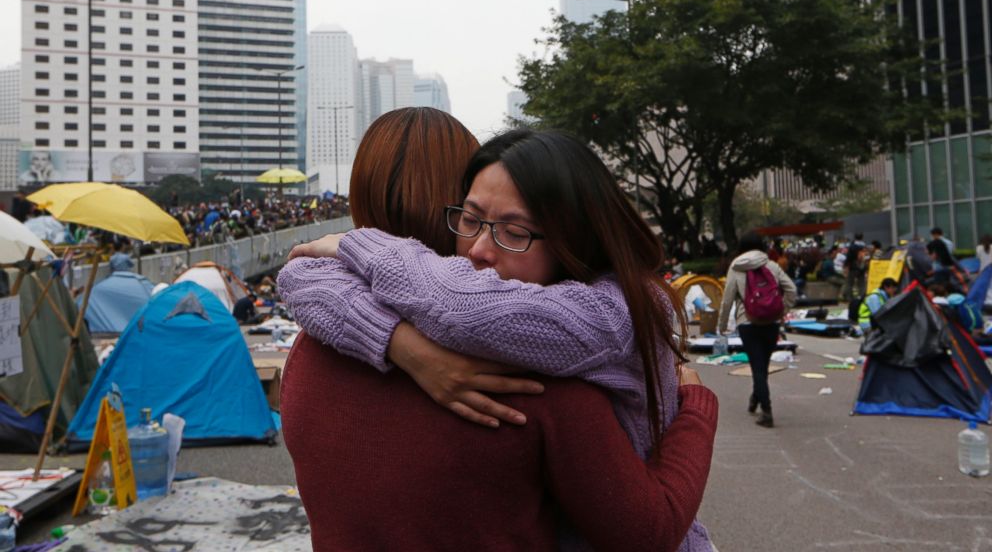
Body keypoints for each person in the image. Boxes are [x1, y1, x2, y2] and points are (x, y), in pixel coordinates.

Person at [278, 113, 718, 551]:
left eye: (514, 231)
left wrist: (390, 324)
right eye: (470, 220)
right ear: (455, 199)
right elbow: (649, 531)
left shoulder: (310, 351)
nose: (482, 250)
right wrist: (697, 404)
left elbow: (305, 277)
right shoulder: (535, 381)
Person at [717, 231, 797, 428]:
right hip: (770, 322)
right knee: (762, 365)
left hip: (747, 322)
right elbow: (791, 289)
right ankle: (755, 398)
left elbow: (727, 300)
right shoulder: (771, 265)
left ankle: (767, 411)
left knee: (757, 366)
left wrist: (722, 325)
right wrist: (782, 310)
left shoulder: (736, 267)